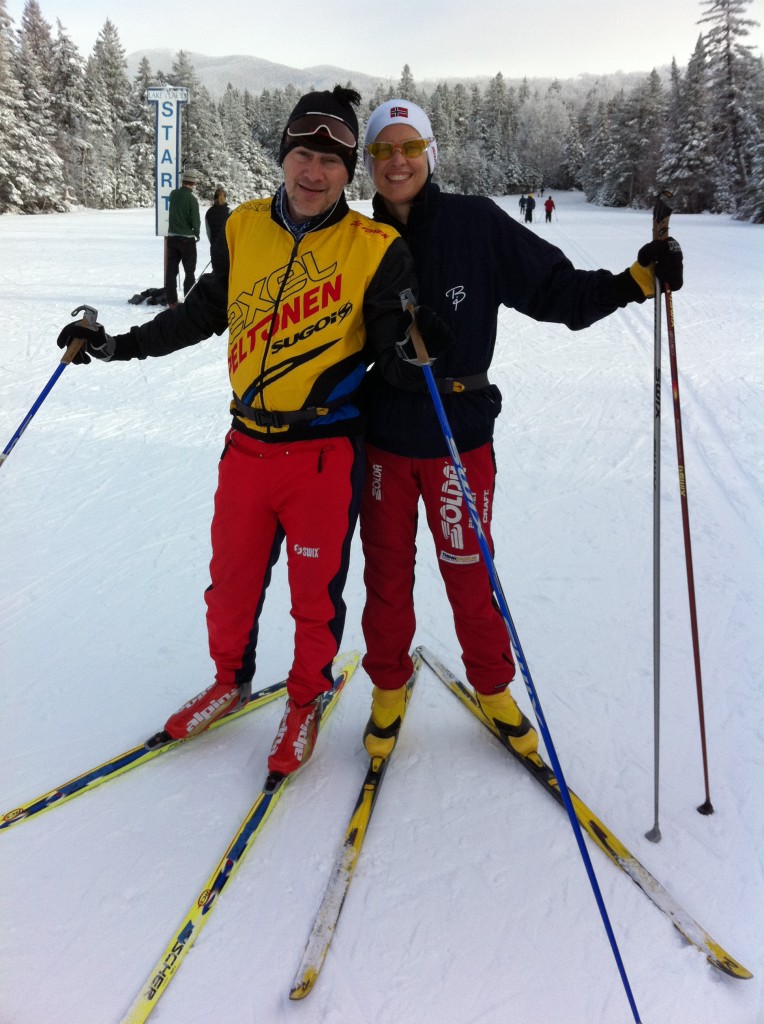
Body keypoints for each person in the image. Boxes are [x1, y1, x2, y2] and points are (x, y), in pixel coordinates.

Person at [55, 86, 446, 779]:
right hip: (245, 447)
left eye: (330, 160)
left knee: (312, 592)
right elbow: (199, 314)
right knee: (229, 584)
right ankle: (229, 681)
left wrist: (416, 354)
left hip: (324, 452)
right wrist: (116, 346)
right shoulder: (241, 230)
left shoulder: (375, 246)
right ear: (283, 156)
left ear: (348, 171)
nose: (313, 172)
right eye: (302, 153)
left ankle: (305, 699)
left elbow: (390, 349)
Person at [359, 99, 683, 760]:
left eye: (409, 147)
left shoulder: (475, 224)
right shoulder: (355, 240)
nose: (397, 162)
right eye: (383, 151)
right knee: (386, 579)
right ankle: (388, 692)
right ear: (369, 163)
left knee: (470, 575)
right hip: (385, 439)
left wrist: (635, 282)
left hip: (460, 435)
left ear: (429, 154)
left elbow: (555, 290)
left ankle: (494, 688)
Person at [165, 168, 201, 307]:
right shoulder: (192, 199)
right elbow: (195, 220)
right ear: (193, 183)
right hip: (187, 239)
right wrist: (196, 233)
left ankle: (171, 301)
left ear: (183, 181)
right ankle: (189, 300)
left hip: (172, 237)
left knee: (171, 271)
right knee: (189, 272)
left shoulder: (173, 194)